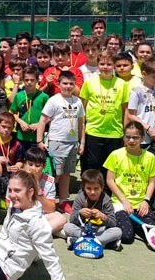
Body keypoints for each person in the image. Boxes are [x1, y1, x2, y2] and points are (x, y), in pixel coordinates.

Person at [103, 122, 155, 245]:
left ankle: (134, 222)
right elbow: (109, 180)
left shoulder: (150, 157)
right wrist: (124, 201)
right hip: (120, 204)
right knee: (126, 237)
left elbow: (151, 183)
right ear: (124, 138)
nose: (131, 140)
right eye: (128, 137)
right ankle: (134, 223)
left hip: (141, 205)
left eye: (136, 137)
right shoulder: (116, 155)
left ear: (142, 138)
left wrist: (146, 201)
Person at [37, 71, 85, 211]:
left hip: (72, 143)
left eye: (71, 84)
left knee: (66, 173)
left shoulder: (77, 101)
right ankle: (45, 199)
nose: (68, 86)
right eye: (65, 83)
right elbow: (43, 120)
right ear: (59, 84)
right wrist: (39, 141)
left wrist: (81, 142)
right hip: (56, 142)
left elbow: (81, 123)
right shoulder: (54, 100)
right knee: (53, 174)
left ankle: (63, 201)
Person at [79, 50, 128, 181]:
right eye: (102, 64)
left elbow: (125, 111)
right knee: (92, 167)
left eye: (109, 64)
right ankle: (88, 193)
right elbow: (81, 111)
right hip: (93, 132)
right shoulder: (89, 83)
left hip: (114, 133)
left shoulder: (122, 84)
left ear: (113, 66)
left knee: (110, 169)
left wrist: (125, 132)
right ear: (98, 64)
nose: (105, 67)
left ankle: (107, 195)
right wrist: (82, 136)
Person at [64, 169, 122, 251]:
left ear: (102, 188)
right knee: (67, 227)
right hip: (84, 229)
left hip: (100, 230)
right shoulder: (80, 197)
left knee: (118, 231)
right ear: (84, 187)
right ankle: (106, 244)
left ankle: (78, 241)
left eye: (96, 189)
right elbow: (72, 220)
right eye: (89, 188)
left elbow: (113, 223)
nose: (92, 192)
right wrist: (80, 213)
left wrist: (103, 216)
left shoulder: (106, 199)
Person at [127, 59, 155, 165]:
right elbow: (131, 115)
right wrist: (147, 128)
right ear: (144, 74)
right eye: (154, 77)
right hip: (144, 137)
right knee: (143, 166)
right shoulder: (136, 92)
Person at [10, 66, 49, 154]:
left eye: (32, 80)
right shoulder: (19, 95)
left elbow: (50, 116)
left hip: (38, 136)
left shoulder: (44, 96)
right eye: (26, 80)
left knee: (36, 161)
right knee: (22, 160)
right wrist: (20, 122)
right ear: (23, 80)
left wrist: (39, 124)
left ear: (37, 80)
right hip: (22, 135)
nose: (29, 82)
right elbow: (13, 113)